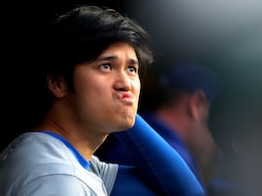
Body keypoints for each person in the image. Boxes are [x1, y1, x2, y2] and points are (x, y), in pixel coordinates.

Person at [0, 5, 205, 196]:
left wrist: (121, 109)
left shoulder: (49, 153)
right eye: (106, 66)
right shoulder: (58, 178)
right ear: (58, 83)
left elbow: (184, 191)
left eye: (131, 69)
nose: (126, 83)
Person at [96, 62, 249, 196]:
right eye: (219, 123)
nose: (225, 146)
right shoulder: (175, 158)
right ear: (197, 104)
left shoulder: (131, 139)